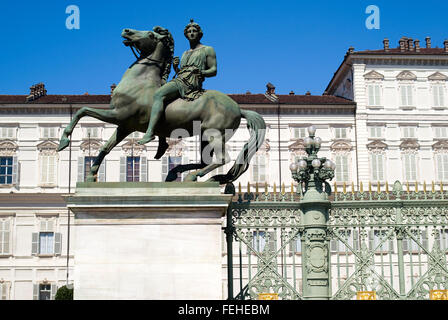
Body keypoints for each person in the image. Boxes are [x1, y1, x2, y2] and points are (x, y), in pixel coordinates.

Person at [138, 19, 217, 145]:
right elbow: (182, 72)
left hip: (191, 83)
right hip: (180, 79)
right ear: (186, 35)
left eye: (194, 31)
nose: (191, 33)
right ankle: (162, 139)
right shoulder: (185, 53)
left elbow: (214, 70)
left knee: (158, 95)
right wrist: (176, 68)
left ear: (199, 34)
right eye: (189, 31)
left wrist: (201, 72)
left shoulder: (208, 49)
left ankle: (150, 132)